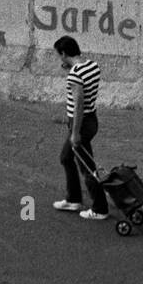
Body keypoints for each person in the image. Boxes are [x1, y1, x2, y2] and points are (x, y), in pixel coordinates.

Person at [50, 36, 109, 220]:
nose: (59, 59)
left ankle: (100, 209)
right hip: (92, 120)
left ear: (64, 53)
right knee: (66, 158)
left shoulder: (75, 74)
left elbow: (78, 105)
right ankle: (73, 199)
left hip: (81, 124)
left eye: (59, 55)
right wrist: (71, 69)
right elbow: (86, 82)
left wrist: (75, 133)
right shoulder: (92, 65)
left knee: (86, 166)